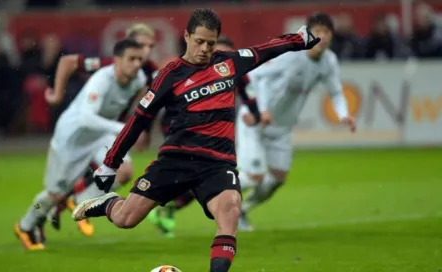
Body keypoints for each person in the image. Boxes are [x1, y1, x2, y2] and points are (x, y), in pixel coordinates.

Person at [72, 8, 319, 272]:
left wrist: (299, 40)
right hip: (175, 160)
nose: (204, 49)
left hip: (217, 164)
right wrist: (110, 164)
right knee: (125, 219)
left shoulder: (229, 63)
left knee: (230, 210)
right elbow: (138, 121)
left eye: (210, 43)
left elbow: (265, 50)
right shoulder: (170, 75)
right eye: (199, 41)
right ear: (187, 36)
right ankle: (107, 203)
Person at [14, 39, 147, 251]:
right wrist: (122, 129)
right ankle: (27, 223)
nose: (137, 64)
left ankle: (81, 200)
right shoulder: (102, 78)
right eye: (131, 58)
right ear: (117, 60)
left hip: (100, 135)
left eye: (140, 59)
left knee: (124, 171)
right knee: (54, 195)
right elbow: (86, 118)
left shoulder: (138, 79)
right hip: (72, 139)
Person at [236, 13, 357, 232]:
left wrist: (343, 114)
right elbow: (256, 76)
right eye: (318, 32)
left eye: (327, 32)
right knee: (254, 177)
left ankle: (242, 210)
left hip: (281, 128)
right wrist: (260, 110)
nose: (323, 37)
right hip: (255, 121)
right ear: (309, 34)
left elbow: (336, 92)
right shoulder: (290, 55)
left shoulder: (328, 61)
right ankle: (213, 189)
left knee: (276, 180)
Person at [46, 23, 158, 236]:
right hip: (85, 130)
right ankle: (40, 218)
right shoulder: (109, 66)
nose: (145, 52)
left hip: (109, 133)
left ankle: (77, 202)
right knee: (57, 190)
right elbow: (68, 61)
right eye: (141, 45)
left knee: (123, 172)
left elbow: (147, 103)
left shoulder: (149, 72)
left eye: (150, 47)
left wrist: (144, 130)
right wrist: (58, 95)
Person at [147, 35, 259, 238]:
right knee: (200, 174)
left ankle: (168, 205)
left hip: (218, 134)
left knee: (200, 177)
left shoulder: (235, 69)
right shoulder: (184, 68)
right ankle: (162, 204)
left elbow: (249, 94)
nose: (219, 58)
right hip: (180, 129)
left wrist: (256, 114)